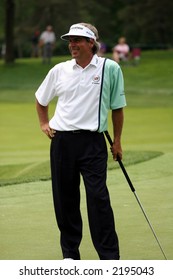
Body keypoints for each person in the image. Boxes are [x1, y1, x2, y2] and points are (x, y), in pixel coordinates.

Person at [35, 22, 126, 260]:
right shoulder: (59, 70)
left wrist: (117, 141)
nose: (72, 45)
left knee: (98, 198)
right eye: (70, 41)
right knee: (65, 199)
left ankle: (109, 258)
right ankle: (70, 256)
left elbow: (117, 108)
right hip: (62, 141)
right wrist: (44, 124)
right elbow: (41, 99)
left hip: (93, 143)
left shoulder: (110, 68)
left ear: (91, 43)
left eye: (77, 40)